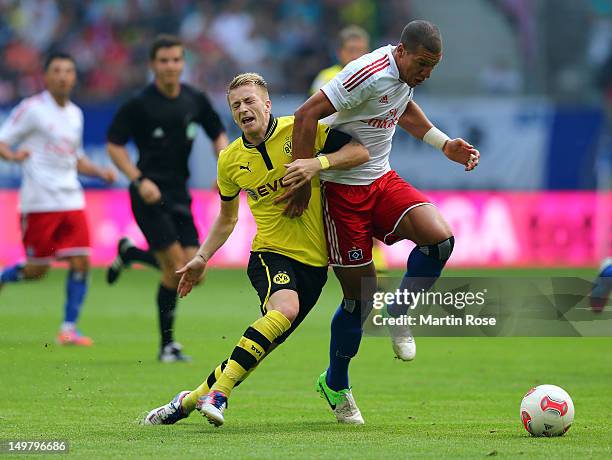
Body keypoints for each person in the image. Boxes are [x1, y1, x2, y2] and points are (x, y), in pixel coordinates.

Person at [142, 72, 369, 427]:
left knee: (257, 349)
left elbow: (359, 150)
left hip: (314, 265)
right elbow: (227, 218)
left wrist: (317, 163)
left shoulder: (302, 130)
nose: (244, 109)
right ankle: (221, 395)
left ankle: (186, 402)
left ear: (267, 104)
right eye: (236, 105)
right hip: (270, 254)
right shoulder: (229, 160)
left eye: (250, 101)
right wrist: (201, 257)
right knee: (285, 308)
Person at [282, 20, 480, 423]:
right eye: (422, 64)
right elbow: (306, 115)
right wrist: (301, 177)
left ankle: (399, 312)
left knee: (439, 241)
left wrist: (444, 144)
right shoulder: (367, 72)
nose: (425, 74)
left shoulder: (404, 76)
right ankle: (335, 383)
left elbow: (401, 107)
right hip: (342, 194)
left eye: (432, 68)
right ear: (402, 52)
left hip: (381, 180)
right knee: (359, 300)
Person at [106, 34, 229, 362]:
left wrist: (224, 166)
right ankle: (167, 346)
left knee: (196, 272)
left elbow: (218, 133)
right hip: (148, 193)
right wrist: (137, 179)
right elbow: (114, 145)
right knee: (176, 268)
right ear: (153, 65)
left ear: (182, 63)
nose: (171, 66)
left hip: (179, 192)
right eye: (164, 61)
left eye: (176, 60)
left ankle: (130, 253)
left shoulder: (194, 99)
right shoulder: (139, 104)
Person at [0, 52, 116, 345]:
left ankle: (68, 328)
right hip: (40, 201)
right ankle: (4, 277)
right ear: (46, 76)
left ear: (74, 77)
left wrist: (100, 172)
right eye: (57, 71)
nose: (63, 76)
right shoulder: (32, 109)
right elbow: (3, 140)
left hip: (71, 198)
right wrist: (13, 156)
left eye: (68, 70)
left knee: (82, 261)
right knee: (37, 270)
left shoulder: (75, 114)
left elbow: (75, 158)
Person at [309, 25, 370, 95]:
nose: (355, 56)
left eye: (360, 51)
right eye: (350, 50)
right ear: (339, 52)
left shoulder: (376, 78)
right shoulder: (326, 78)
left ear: (368, 52)